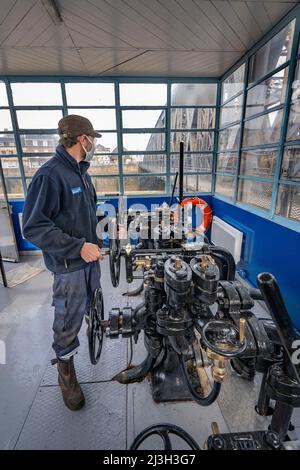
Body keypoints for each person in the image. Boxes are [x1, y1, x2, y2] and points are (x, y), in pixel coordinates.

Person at [22, 115, 103, 411]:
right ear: (82, 140)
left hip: (90, 263)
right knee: (67, 323)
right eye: (92, 139)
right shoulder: (50, 175)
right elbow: (33, 226)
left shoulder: (82, 173)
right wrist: (78, 247)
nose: (94, 144)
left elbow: (87, 215)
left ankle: (93, 327)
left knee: (91, 305)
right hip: (69, 268)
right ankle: (66, 373)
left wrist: (108, 228)